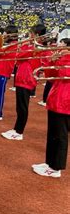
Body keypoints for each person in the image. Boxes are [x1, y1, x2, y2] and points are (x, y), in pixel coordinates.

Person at [2, 24, 50, 140]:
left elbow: (21, 55)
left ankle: (19, 132)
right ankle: (16, 129)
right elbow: (18, 58)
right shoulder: (31, 46)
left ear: (36, 35)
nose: (29, 35)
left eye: (31, 33)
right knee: (19, 107)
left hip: (27, 80)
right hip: (22, 79)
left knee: (23, 107)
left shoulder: (38, 49)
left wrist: (28, 47)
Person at [32, 39, 70, 178]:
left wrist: (59, 60)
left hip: (65, 103)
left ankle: (56, 168)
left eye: (62, 44)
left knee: (61, 136)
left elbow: (65, 75)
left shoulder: (66, 59)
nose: (59, 46)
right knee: (52, 134)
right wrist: (52, 61)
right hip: (56, 99)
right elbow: (50, 77)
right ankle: (49, 163)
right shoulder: (62, 57)